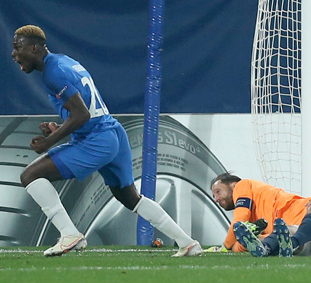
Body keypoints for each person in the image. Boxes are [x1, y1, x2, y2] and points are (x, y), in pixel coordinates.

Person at [12, 25, 202, 257]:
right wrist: (59, 128)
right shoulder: (63, 61)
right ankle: (187, 242)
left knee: (30, 175)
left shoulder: (53, 73)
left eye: (18, 47)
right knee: (130, 198)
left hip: (97, 141)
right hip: (113, 133)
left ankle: (70, 235)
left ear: (34, 48)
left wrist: (48, 142)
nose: (14, 53)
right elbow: (85, 110)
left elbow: (82, 114)